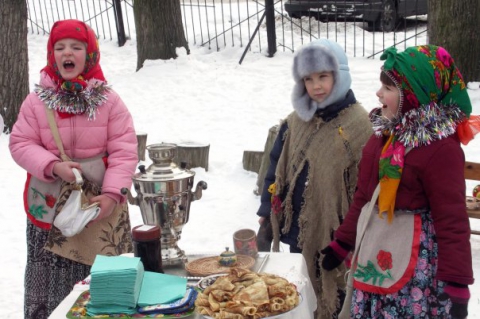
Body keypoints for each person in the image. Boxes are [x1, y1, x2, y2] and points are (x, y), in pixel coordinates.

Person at [320, 44, 476, 319]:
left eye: (388, 88)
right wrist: (343, 242)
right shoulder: (382, 136)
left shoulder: (440, 149)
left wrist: (457, 282)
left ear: (414, 95)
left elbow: (451, 218)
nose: (378, 93)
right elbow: (365, 197)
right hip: (374, 246)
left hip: (416, 267)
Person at [9, 19, 138, 319]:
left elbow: (124, 150)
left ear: (89, 54)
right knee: (50, 288)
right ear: (51, 54)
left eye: (76, 47)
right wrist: (52, 165)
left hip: (98, 209)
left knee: (105, 287)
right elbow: (20, 143)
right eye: (60, 47)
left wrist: (111, 195)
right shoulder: (36, 102)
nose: (67, 52)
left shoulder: (109, 101)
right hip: (52, 209)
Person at [255, 38, 373, 319]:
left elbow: (365, 186)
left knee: (334, 290)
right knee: (301, 287)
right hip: (298, 228)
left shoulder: (359, 125)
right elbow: (276, 167)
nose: (316, 86)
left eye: (323, 76)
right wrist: (265, 209)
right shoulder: (297, 120)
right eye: (308, 79)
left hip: (338, 232)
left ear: (340, 75)